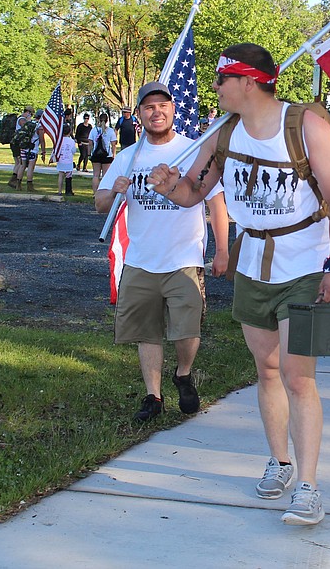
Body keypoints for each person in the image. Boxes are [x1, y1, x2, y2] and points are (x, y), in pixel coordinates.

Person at [148, 43, 330, 527]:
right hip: (253, 264)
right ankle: (279, 463)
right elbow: (191, 193)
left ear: (248, 81)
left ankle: (308, 486)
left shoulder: (306, 126)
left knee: (299, 377)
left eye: (221, 80)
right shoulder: (222, 133)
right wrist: (166, 186)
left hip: (304, 263)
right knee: (266, 370)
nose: (214, 89)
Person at [96, 81, 230, 424]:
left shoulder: (193, 152)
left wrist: (222, 250)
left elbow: (216, 205)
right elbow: (100, 205)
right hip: (141, 259)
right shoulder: (128, 157)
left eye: (163, 106)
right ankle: (153, 396)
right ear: (139, 114)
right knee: (146, 332)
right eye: (149, 107)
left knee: (188, 331)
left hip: (183, 258)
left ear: (174, 110)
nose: (157, 112)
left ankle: (183, 373)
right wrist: (115, 191)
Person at [8, 107, 41, 191]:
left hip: (21, 144)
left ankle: (16, 182)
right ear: (28, 112)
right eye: (31, 113)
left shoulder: (22, 119)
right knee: (21, 164)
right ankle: (15, 181)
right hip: (21, 145)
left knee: (20, 164)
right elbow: (28, 128)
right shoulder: (22, 120)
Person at [89, 112, 117, 192]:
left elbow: (90, 143)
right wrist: (114, 155)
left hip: (96, 155)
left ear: (99, 120)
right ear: (107, 120)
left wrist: (90, 153)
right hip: (107, 156)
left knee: (95, 175)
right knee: (105, 176)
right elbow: (113, 144)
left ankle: (95, 193)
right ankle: (104, 192)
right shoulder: (110, 131)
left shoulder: (94, 130)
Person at [53, 122, 77, 196]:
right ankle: (68, 191)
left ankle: (59, 191)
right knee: (68, 176)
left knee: (60, 176)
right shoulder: (71, 141)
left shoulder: (59, 141)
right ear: (69, 132)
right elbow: (73, 151)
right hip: (69, 160)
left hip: (61, 160)